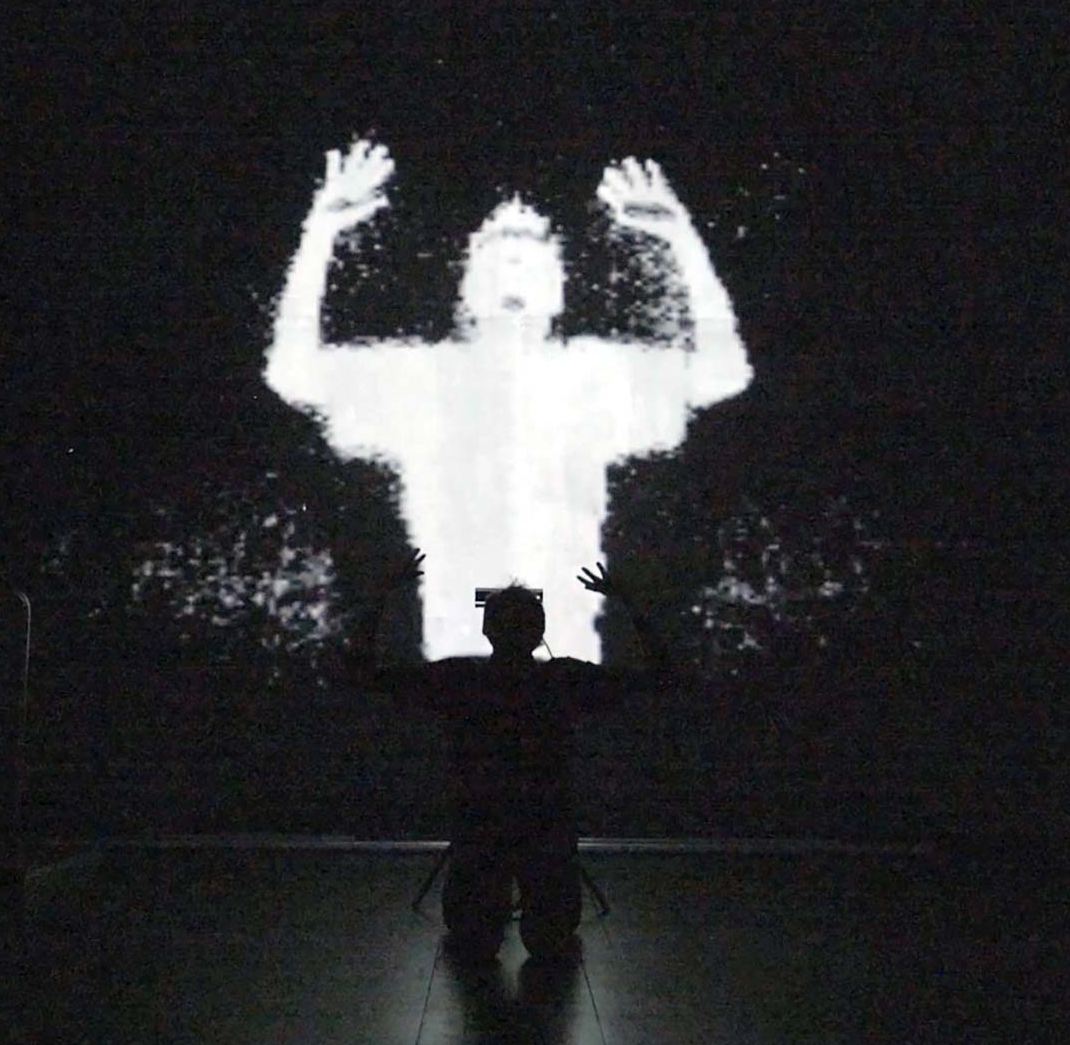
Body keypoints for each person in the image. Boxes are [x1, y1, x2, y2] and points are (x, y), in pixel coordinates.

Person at [265, 141, 751, 662]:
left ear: (559, 286)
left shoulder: (596, 373)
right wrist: (318, 236)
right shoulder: (420, 376)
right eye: (498, 251)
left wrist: (682, 241)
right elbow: (292, 374)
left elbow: (723, 375)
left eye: (529, 251)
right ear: (466, 287)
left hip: (559, 654)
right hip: (464, 654)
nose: (514, 264)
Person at [342, 552, 679, 961]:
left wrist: (381, 598)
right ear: (539, 632)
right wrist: (629, 604)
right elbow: (661, 674)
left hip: (479, 826)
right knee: (548, 938)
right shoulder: (562, 680)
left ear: (487, 629)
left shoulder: (460, 680)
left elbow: (362, 672)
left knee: (475, 938)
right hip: (546, 826)